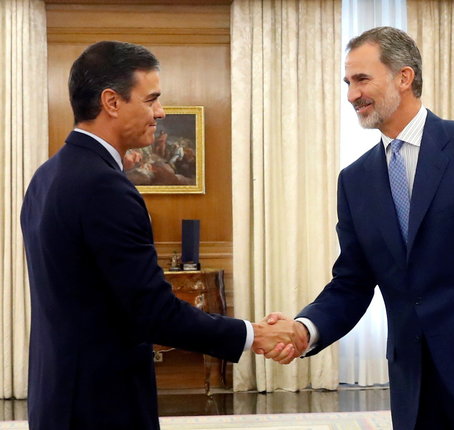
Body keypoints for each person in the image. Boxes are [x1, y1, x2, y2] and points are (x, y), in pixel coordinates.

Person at [262, 27, 454, 430]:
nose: (351, 95)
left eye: (362, 79)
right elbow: (352, 281)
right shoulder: (355, 179)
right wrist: (303, 328)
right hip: (413, 391)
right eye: (348, 82)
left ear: (404, 77)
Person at [20, 41, 306, 430]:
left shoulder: (47, 175)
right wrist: (252, 334)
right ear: (112, 102)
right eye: (151, 99)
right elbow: (153, 313)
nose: (161, 112)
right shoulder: (104, 186)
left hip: (56, 395)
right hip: (101, 405)